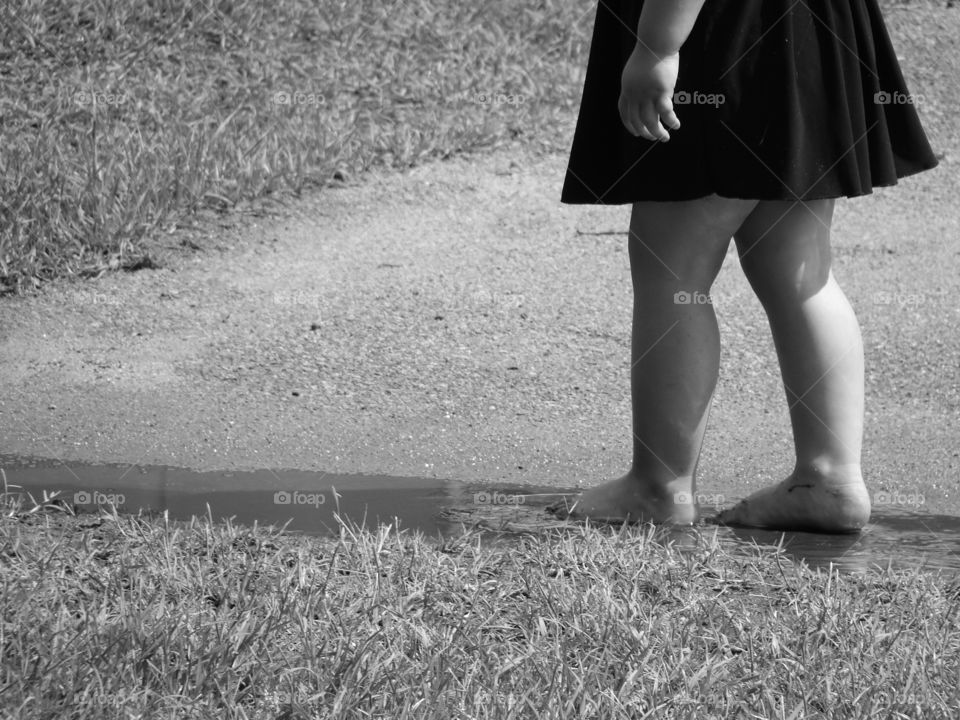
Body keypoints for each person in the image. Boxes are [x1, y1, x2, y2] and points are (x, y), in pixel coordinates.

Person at [553, 0, 939, 532]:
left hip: (721, 34)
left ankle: (657, 486)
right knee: (798, 267)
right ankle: (829, 478)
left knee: (673, 268)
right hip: (805, 27)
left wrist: (657, 45)